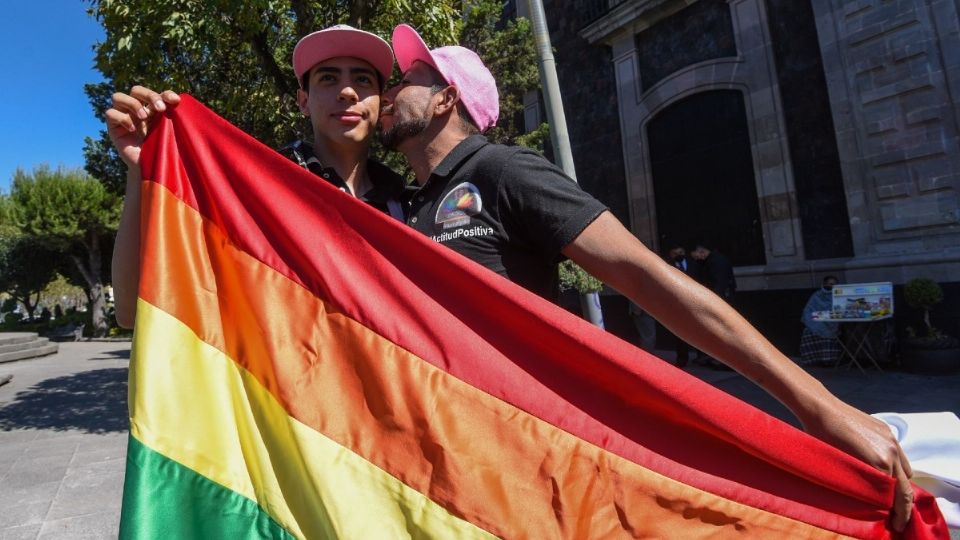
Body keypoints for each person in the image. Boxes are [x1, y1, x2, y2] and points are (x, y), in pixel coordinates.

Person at [379, 24, 914, 530]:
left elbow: (648, 279)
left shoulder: (502, 171)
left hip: (523, 463)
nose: (391, 91)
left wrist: (820, 405)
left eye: (408, 81)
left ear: (445, 99)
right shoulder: (410, 206)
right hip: (446, 465)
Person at [108, 25, 405, 329]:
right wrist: (141, 172)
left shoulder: (408, 203)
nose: (347, 91)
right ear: (303, 101)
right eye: (328, 78)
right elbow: (132, 310)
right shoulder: (251, 191)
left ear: (380, 101)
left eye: (363, 79)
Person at [800, 275, 841, 366]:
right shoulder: (817, 295)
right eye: (829, 283)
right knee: (808, 331)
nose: (831, 286)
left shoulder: (838, 296)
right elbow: (808, 310)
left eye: (834, 284)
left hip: (831, 322)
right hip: (815, 321)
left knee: (829, 331)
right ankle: (812, 360)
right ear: (824, 284)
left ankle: (828, 360)